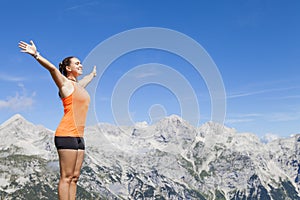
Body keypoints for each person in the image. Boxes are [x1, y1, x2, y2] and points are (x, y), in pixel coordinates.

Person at [18, 40, 96, 200]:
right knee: (66, 177)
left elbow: (85, 82)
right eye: (77, 63)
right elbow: (52, 68)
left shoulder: (79, 86)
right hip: (66, 134)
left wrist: (92, 75)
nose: (81, 65)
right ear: (68, 68)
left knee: (75, 178)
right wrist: (36, 55)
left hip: (79, 137)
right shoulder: (65, 84)